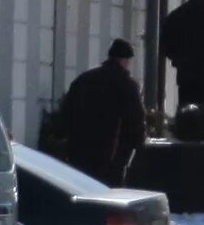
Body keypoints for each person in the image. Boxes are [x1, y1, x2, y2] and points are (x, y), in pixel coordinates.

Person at [56, 40, 148, 184]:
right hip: (111, 154)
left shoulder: (83, 79)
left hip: (79, 149)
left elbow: (66, 112)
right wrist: (140, 146)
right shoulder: (127, 85)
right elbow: (135, 120)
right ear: (125, 60)